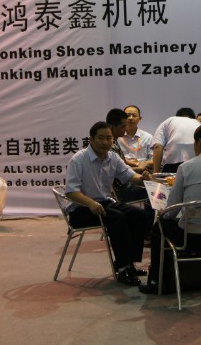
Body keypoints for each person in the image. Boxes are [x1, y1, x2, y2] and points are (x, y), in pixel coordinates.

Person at [139, 122, 201, 294]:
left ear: (198, 142)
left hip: (190, 237)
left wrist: (162, 214)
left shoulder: (186, 167)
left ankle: (156, 281)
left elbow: (172, 210)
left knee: (159, 227)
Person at [65, 121, 152, 286]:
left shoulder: (113, 157)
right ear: (91, 139)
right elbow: (71, 191)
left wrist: (143, 179)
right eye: (100, 138)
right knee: (117, 218)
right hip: (81, 209)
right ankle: (122, 268)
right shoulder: (78, 160)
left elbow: (129, 176)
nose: (105, 142)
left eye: (108, 138)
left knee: (138, 214)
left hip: (104, 204)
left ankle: (130, 263)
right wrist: (90, 203)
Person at [151, 107, 201, 173]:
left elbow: (157, 147)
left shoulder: (169, 121)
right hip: (196, 166)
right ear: (193, 117)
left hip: (173, 166)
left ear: (177, 116)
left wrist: (155, 173)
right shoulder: (198, 124)